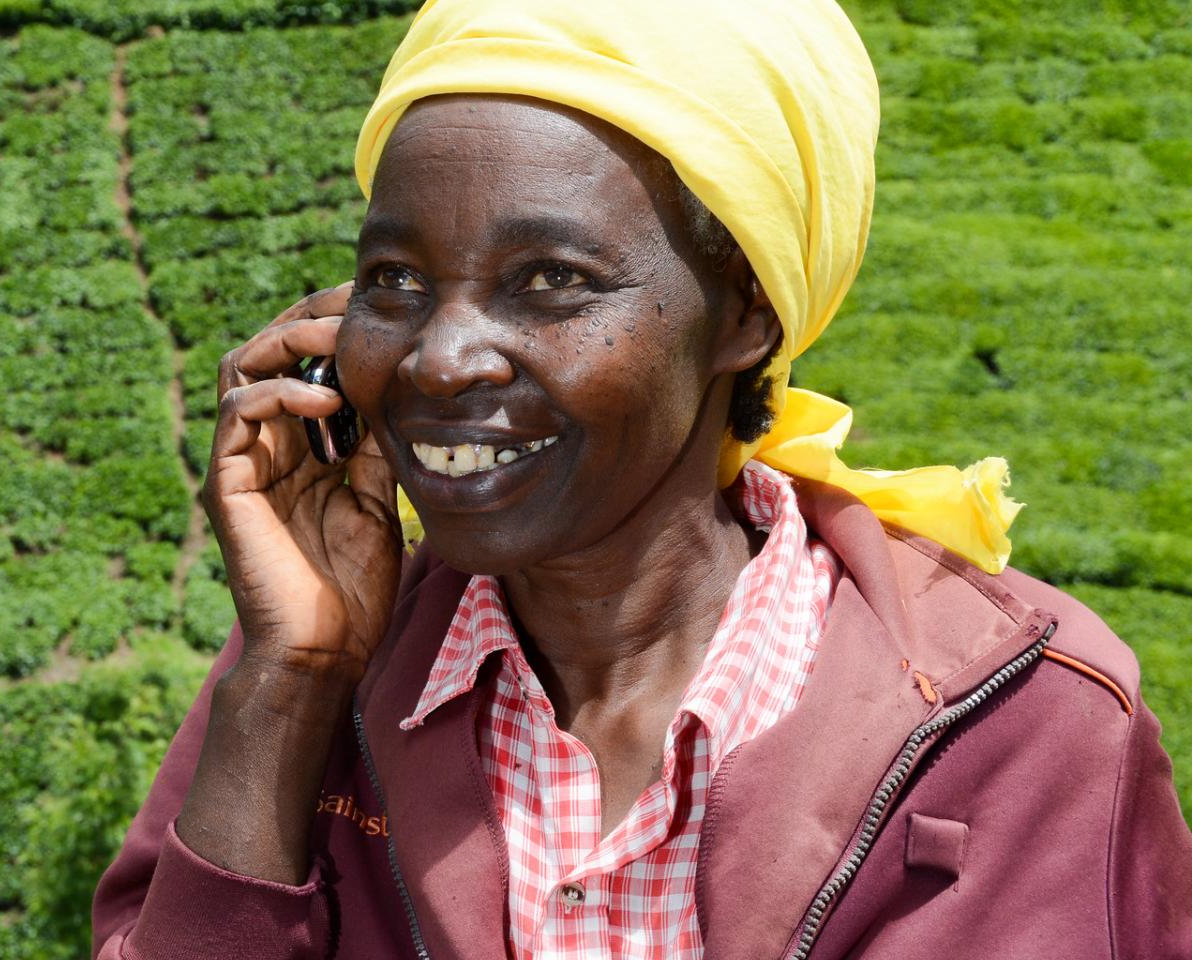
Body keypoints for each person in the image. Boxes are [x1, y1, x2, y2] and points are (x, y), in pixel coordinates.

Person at [91, 1, 1192, 957]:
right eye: (396, 279)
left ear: (747, 314)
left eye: (552, 281)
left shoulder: (1026, 724)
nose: (439, 356)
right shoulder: (314, 673)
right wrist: (288, 687)